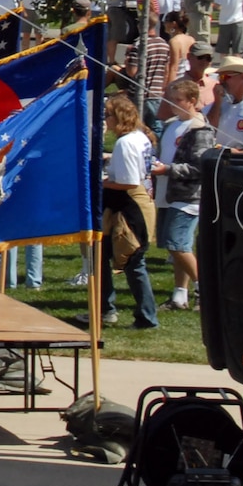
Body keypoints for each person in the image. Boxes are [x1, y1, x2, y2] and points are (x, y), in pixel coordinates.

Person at [100, 94, 158, 329]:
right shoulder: (138, 136)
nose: (106, 119)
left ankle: (147, 317)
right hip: (130, 202)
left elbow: (129, 181)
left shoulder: (125, 142)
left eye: (108, 115)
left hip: (131, 204)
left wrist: (101, 182)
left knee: (133, 260)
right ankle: (105, 308)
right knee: (103, 255)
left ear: (118, 117)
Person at [154, 77, 213, 311]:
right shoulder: (171, 124)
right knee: (175, 246)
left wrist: (167, 169)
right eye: (170, 99)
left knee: (177, 243)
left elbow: (200, 167)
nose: (172, 103)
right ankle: (180, 295)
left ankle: (205, 289)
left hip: (188, 196)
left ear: (192, 101)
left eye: (178, 100)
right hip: (167, 191)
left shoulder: (200, 129)